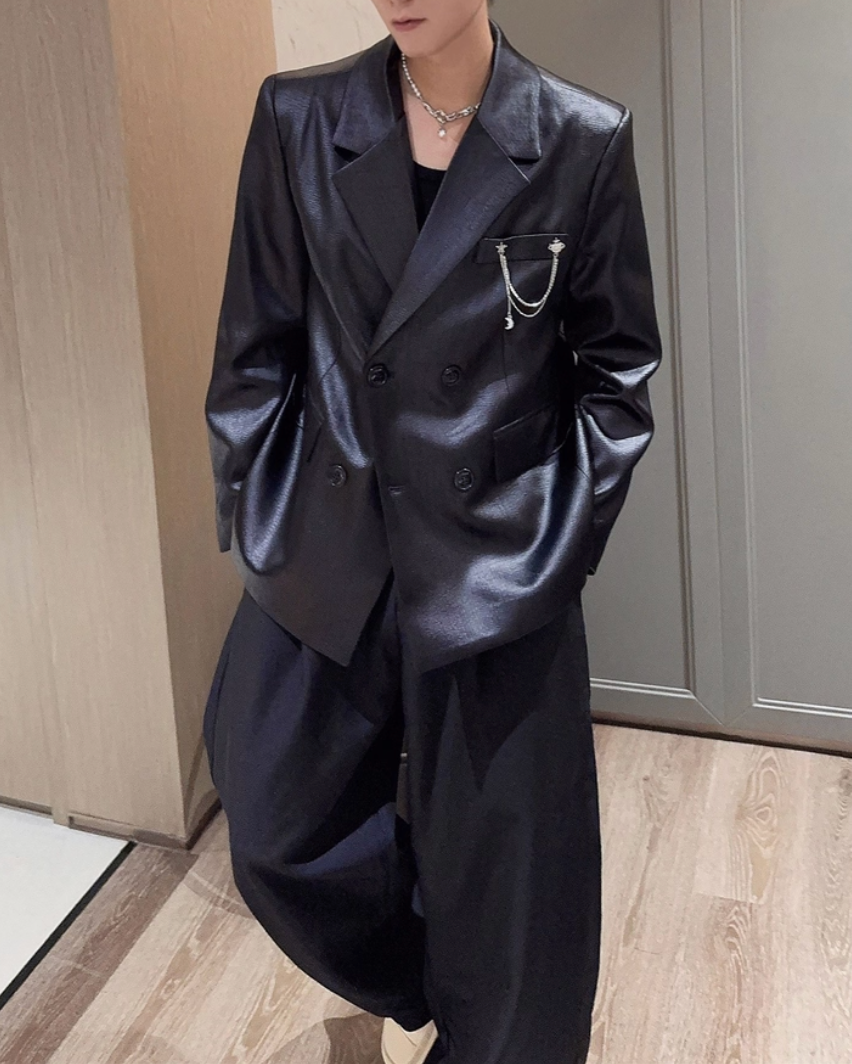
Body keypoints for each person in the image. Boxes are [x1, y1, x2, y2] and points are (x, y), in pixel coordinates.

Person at [202, 2, 663, 1063]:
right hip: (331, 542)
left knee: (515, 886)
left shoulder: (580, 136)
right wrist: (257, 502)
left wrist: (554, 541)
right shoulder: (300, 117)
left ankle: (487, 1018)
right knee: (271, 827)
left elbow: (616, 374)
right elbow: (253, 344)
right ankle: (436, 965)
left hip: (496, 560)